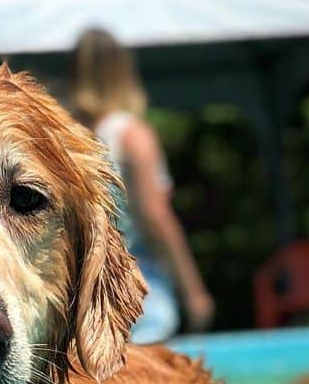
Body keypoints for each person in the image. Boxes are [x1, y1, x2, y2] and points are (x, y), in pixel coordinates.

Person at [73, 29, 213, 342]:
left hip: (86, 289)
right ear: (125, 74)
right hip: (139, 286)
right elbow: (155, 218)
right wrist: (194, 291)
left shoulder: (72, 138)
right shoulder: (132, 136)